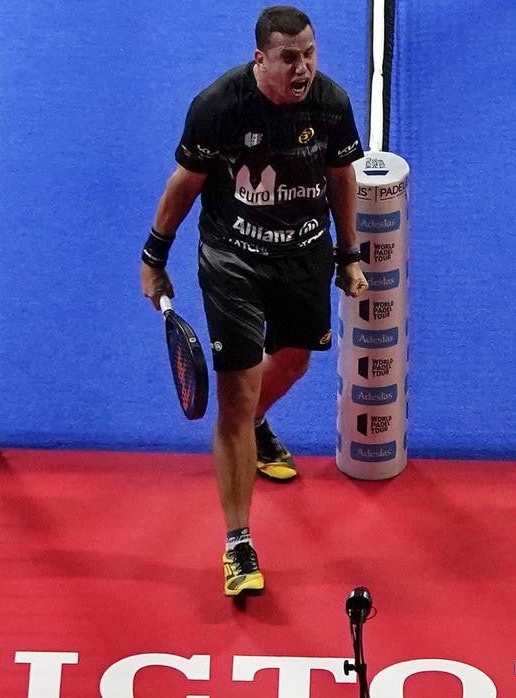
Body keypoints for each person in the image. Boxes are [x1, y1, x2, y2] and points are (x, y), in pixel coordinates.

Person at [139, 5, 367, 598]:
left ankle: (252, 420)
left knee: (294, 359)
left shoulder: (333, 105)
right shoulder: (219, 106)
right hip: (232, 259)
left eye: (310, 53)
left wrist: (349, 255)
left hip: (304, 253)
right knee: (235, 397)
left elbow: (342, 178)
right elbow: (184, 186)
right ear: (261, 58)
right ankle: (238, 541)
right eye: (289, 58)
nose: (303, 68)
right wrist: (154, 257)